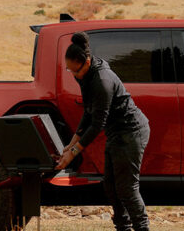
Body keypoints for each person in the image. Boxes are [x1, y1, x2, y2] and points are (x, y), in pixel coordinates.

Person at [56, 32, 151, 231]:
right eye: (69, 70)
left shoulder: (102, 81)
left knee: (127, 188)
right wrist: (70, 144)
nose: (73, 75)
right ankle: (122, 228)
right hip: (116, 133)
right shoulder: (85, 76)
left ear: (86, 62)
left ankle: (142, 228)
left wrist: (72, 154)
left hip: (131, 132)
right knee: (111, 186)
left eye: (75, 70)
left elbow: (97, 123)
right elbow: (88, 114)